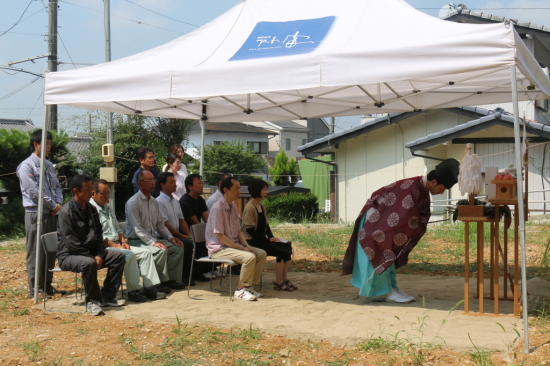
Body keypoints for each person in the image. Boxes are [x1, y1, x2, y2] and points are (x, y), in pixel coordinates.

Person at [341, 159, 460, 303]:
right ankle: (386, 291)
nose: (442, 192)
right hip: (374, 222)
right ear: (434, 182)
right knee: (382, 250)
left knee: (388, 252)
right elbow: (403, 215)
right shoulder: (411, 186)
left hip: (381, 221)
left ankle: (390, 288)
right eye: (443, 188)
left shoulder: (420, 188)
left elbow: (411, 215)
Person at [57, 175, 126, 316]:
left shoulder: (91, 209)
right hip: (70, 255)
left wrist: (99, 254)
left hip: (92, 253)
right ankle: (92, 301)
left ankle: (107, 296)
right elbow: (71, 243)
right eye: (87, 189)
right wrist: (92, 257)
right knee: (89, 263)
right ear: (76, 191)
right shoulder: (65, 212)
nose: (91, 192)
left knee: (118, 256)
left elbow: (99, 235)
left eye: (91, 189)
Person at [90, 179, 166, 302]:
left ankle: (150, 288)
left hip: (117, 244)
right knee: (129, 255)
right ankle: (133, 291)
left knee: (146, 253)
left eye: (108, 193)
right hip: (103, 247)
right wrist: (117, 246)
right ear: (93, 193)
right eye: (103, 194)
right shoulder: (90, 209)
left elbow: (118, 228)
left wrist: (124, 242)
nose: (107, 196)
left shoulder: (108, 207)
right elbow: (99, 237)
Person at [16, 129, 65, 298]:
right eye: (47, 144)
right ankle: (36, 288)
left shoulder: (49, 165)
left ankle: (47, 285)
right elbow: (33, 191)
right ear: (36, 144)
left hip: (52, 212)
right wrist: (53, 205)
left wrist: (58, 204)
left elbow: (57, 187)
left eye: (50, 144)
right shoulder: (26, 165)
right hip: (36, 213)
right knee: (36, 250)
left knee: (50, 250)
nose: (49, 147)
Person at [206, 177, 267, 301]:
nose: (239, 191)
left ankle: (249, 286)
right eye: (236, 189)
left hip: (232, 245)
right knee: (249, 257)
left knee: (261, 253)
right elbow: (220, 236)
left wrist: (246, 245)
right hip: (219, 248)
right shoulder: (218, 208)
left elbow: (238, 231)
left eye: (239, 188)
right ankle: (240, 290)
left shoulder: (233, 206)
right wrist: (242, 248)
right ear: (226, 190)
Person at [125, 170, 187, 292]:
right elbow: (138, 229)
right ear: (140, 183)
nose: (153, 183)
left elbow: (160, 224)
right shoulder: (133, 203)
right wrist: (154, 242)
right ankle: (157, 283)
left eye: (154, 180)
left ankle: (170, 280)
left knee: (177, 247)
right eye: (150, 180)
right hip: (136, 241)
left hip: (152, 239)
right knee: (160, 250)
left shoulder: (154, 202)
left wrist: (170, 238)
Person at [241, 179, 297, 291]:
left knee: (286, 245)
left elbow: (266, 226)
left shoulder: (262, 207)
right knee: (280, 250)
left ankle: (284, 279)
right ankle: (278, 281)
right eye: (263, 189)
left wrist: (272, 237)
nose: (266, 192)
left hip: (261, 240)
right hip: (251, 241)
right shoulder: (250, 207)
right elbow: (251, 231)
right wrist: (268, 240)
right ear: (257, 190)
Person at [156, 172, 209, 285]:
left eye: (174, 181)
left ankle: (196, 273)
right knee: (187, 243)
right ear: (162, 185)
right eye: (171, 182)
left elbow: (181, 220)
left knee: (195, 240)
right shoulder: (159, 202)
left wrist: (189, 234)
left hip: (177, 234)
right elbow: (164, 224)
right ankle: (184, 277)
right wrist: (182, 236)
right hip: (165, 235)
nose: (175, 184)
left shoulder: (175, 201)